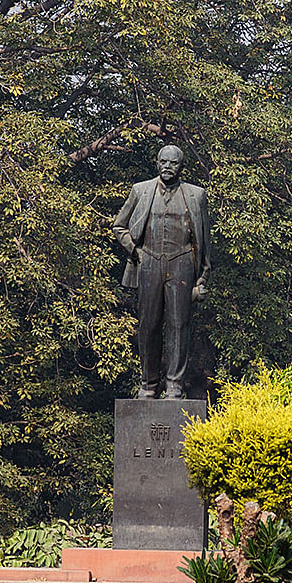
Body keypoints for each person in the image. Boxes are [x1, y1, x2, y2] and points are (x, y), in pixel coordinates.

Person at [113, 145, 211, 399]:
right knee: (148, 325)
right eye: (163, 162)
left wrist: (202, 278)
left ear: (181, 166)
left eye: (173, 163)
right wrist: (137, 252)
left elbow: (204, 243)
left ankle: (175, 385)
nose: (168, 167)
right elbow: (119, 226)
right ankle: (149, 384)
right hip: (149, 262)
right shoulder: (141, 190)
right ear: (157, 163)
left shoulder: (196, 195)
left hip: (182, 264)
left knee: (179, 325)